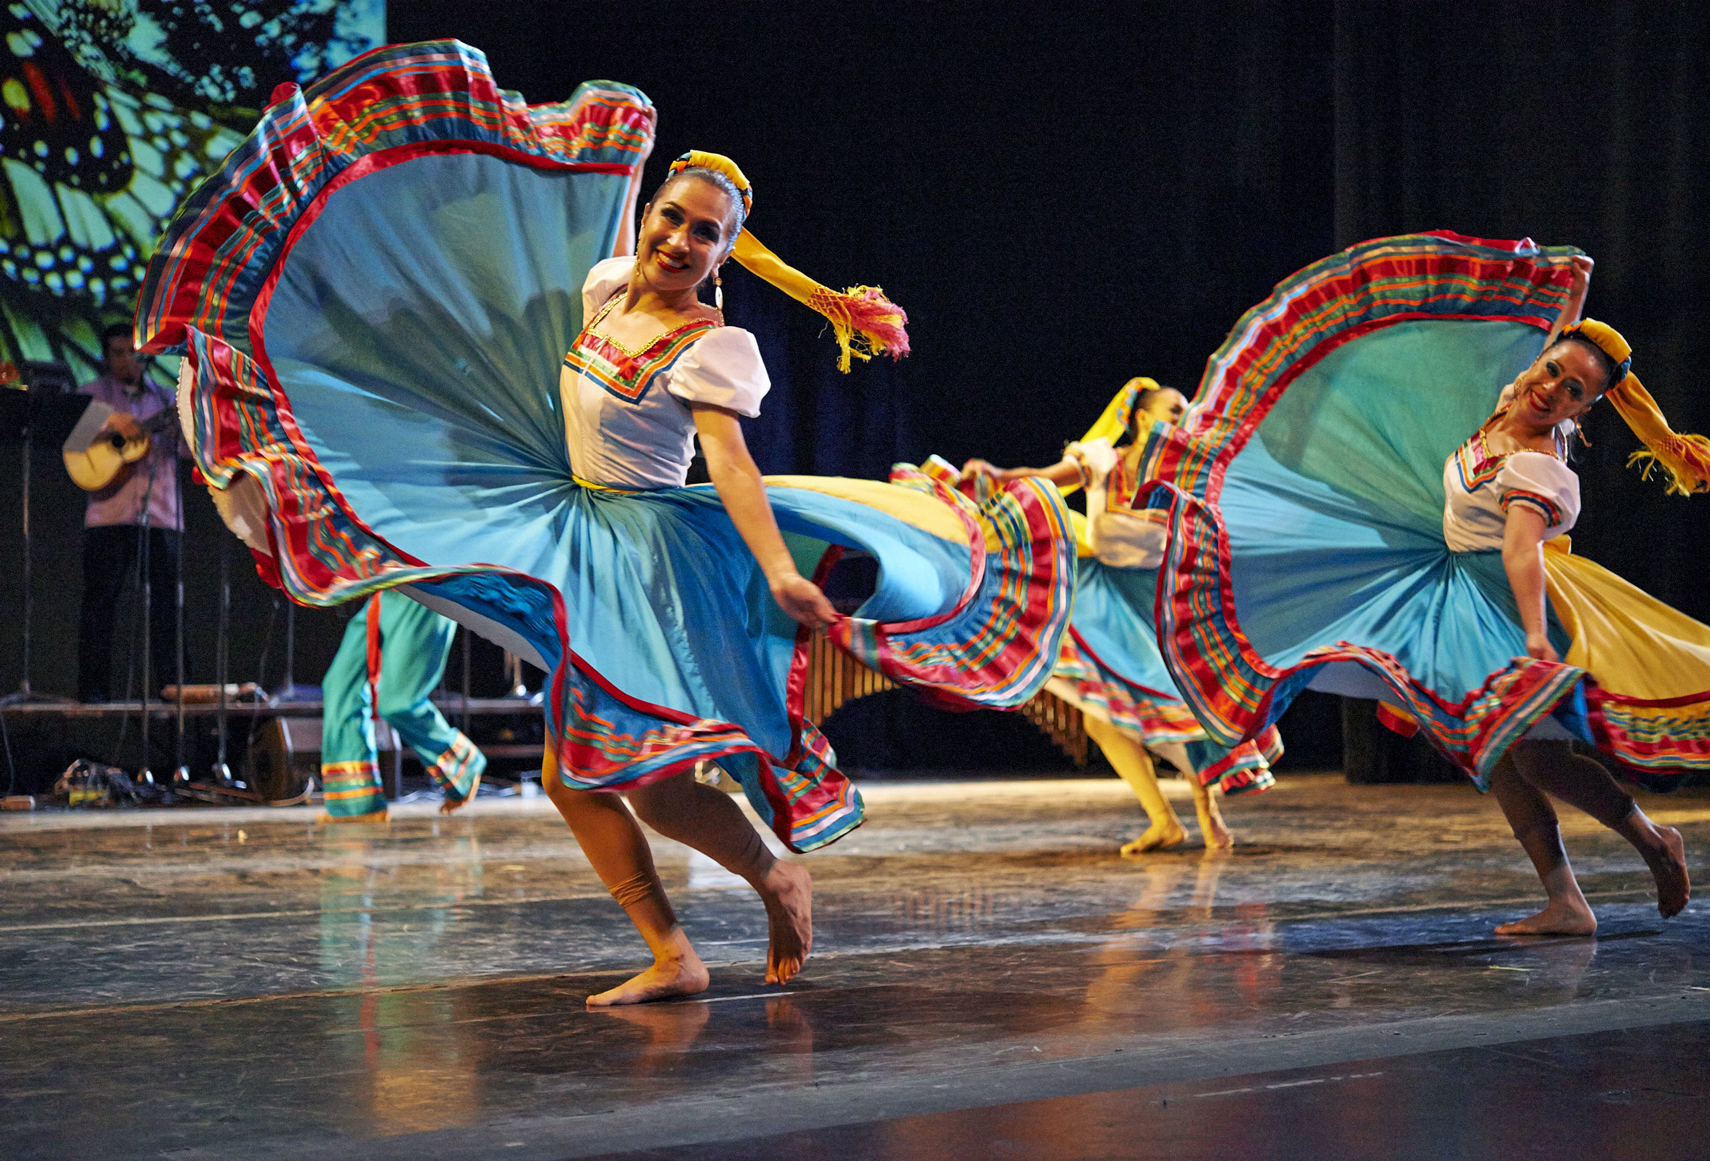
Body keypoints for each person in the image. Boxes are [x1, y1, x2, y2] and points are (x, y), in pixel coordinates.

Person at [139, 43, 1072, 1006]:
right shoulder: (603, 289)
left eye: (706, 235)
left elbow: (733, 465)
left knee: (611, 775)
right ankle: (690, 938)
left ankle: (754, 890)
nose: (680, 240)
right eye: (673, 217)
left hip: (642, 561)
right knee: (590, 775)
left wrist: (776, 568)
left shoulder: (715, 344)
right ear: (654, 213)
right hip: (568, 524)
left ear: (724, 253)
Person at [1143, 231, 1710, 935]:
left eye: (1572, 390)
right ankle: (1567, 899)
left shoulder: (1538, 463)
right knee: (1498, 761)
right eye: (1552, 371)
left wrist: (1538, 638)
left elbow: (1521, 553)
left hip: (1505, 607)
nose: (1551, 389)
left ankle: (1650, 841)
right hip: (1457, 593)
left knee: (1538, 759)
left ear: (1584, 409)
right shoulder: (1502, 411)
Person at [955, 379, 1278, 854]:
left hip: (1159, 600)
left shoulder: (1187, 468)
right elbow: (1043, 477)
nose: (1183, 417)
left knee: (1185, 706)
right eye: (1173, 409)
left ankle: (1203, 818)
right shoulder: (1104, 457)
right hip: (1104, 598)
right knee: (1108, 720)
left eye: (1186, 410)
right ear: (1143, 418)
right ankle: (1170, 821)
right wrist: (996, 475)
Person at [76, 322, 185, 703]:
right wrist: (120, 441)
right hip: (110, 515)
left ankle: (173, 690)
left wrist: (185, 425)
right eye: (118, 353)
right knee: (100, 605)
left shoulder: (164, 400)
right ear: (107, 358)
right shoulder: (93, 397)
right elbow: (78, 456)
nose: (127, 361)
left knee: (167, 608)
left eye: (133, 353)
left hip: (160, 514)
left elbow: (188, 455)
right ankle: (94, 693)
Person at [319, 590, 487, 821]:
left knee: (398, 702)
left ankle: (461, 763)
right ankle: (357, 804)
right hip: (384, 590)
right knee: (340, 687)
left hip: (421, 589)